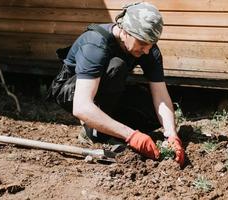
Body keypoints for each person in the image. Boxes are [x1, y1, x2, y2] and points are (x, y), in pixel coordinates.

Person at [47, 2, 185, 166]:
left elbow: (161, 96)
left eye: (151, 44)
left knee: (153, 115)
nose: (147, 51)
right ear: (125, 31)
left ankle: (108, 125)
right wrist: (131, 135)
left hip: (106, 88)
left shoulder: (148, 47)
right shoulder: (95, 44)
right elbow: (81, 106)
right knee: (116, 66)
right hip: (71, 92)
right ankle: (93, 132)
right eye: (142, 44)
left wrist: (171, 135)